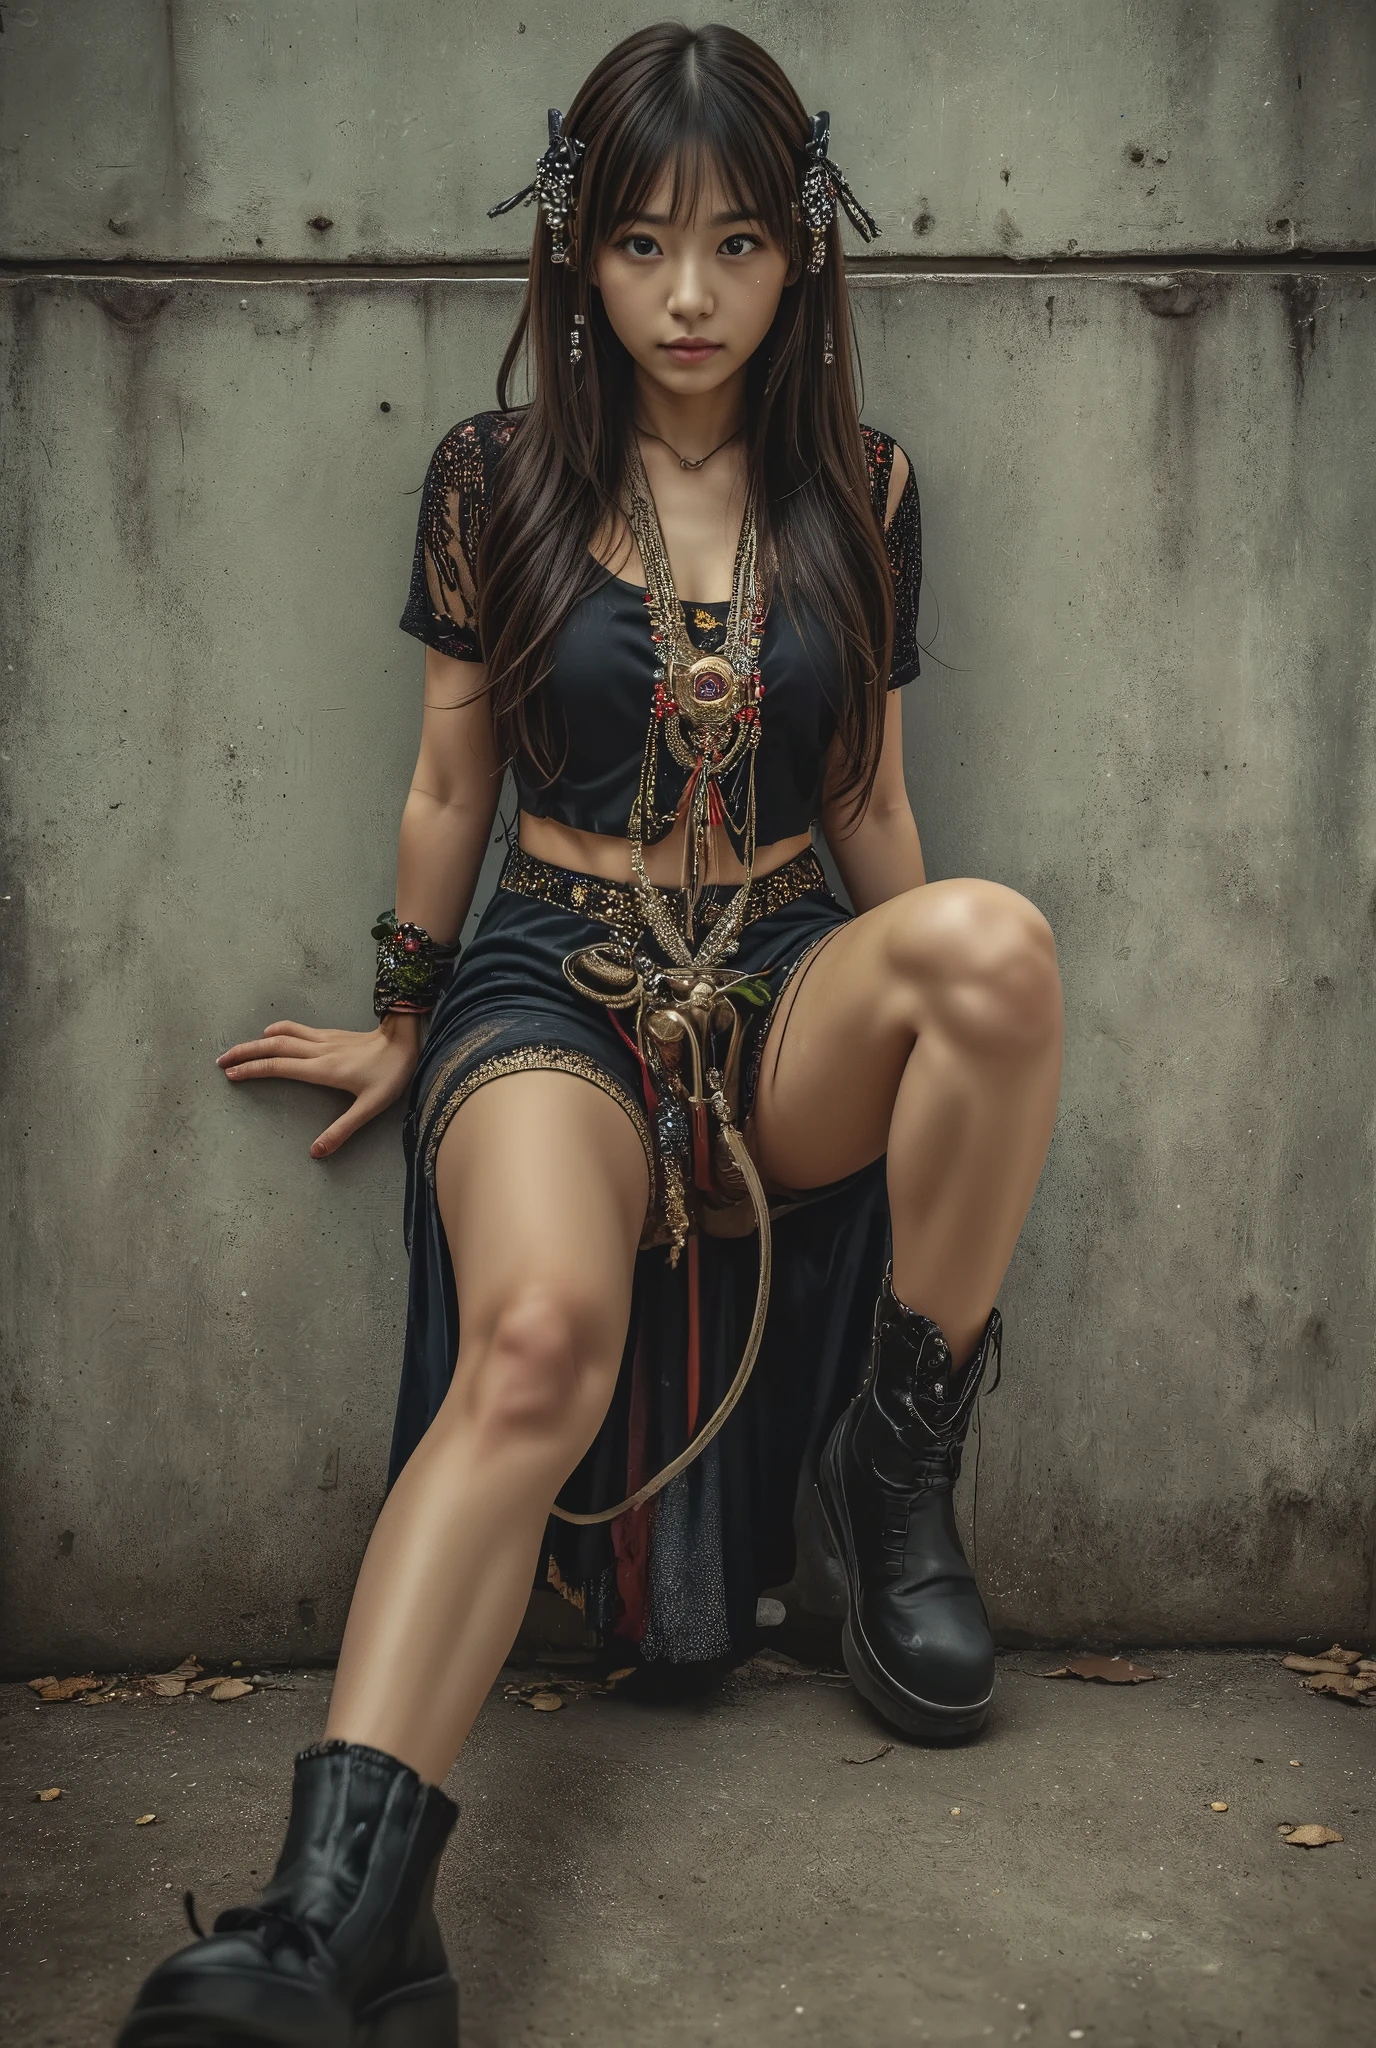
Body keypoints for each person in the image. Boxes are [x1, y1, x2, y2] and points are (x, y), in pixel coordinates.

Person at [116, 21, 1063, 2047]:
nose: (692, 294)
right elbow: (449, 788)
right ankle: (336, 1922)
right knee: (536, 1336)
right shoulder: (498, 476)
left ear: (803, 253)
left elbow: (875, 804)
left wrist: (932, 1026)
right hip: (550, 973)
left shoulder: (866, 493)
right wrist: (401, 1005)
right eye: (643, 245)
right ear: (580, 257)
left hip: (786, 976)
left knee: (993, 944)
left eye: (733, 242)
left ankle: (887, 1470)